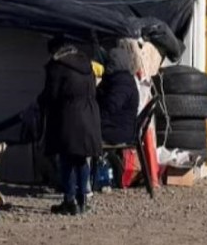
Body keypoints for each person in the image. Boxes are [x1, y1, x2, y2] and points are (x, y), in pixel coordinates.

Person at [39, 37, 102, 215]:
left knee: (66, 160)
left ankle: (69, 200)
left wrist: (39, 104)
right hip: (89, 115)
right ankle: (83, 200)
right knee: (81, 159)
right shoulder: (86, 64)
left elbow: (51, 95)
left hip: (68, 116)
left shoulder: (57, 66)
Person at [96, 48, 140, 145]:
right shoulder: (117, 78)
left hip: (118, 130)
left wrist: (92, 117)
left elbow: (110, 106)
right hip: (116, 125)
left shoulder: (123, 83)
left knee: (81, 129)